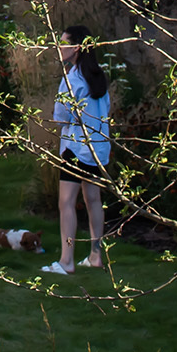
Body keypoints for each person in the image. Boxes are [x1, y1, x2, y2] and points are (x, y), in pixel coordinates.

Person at [44, 26, 111, 277]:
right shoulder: (98, 76)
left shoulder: (72, 78)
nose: (59, 47)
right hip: (98, 149)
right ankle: (95, 255)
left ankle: (67, 259)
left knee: (66, 203)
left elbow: (61, 117)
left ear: (78, 47)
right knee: (93, 200)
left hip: (75, 148)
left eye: (63, 43)